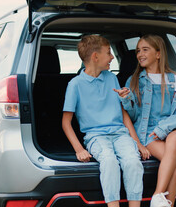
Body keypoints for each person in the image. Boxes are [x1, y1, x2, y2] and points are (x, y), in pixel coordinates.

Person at [115, 34, 176, 207]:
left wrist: (164, 128)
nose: (140, 54)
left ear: (158, 54)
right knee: (175, 164)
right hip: (149, 133)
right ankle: (164, 203)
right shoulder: (134, 81)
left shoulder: (175, 80)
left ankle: (158, 194)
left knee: (173, 138)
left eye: (145, 49)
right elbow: (133, 117)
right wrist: (127, 101)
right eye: (138, 50)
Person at [62, 35, 144, 207]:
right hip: (95, 136)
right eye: (108, 53)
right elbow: (66, 122)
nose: (112, 57)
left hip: (120, 133)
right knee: (109, 161)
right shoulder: (75, 85)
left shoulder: (111, 78)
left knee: (132, 161)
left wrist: (138, 143)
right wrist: (79, 149)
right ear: (95, 57)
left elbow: (123, 114)